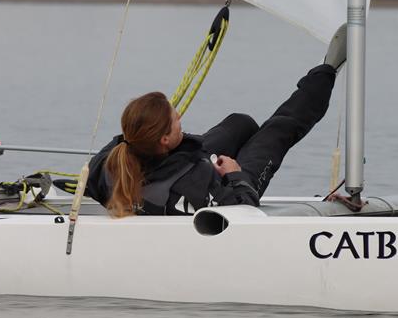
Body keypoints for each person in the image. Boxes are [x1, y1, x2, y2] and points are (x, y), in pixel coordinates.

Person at [85, 25, 348, 217]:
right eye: (174, 118)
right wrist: (234, 174)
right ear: (164, 139)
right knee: (278, 130)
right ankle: (326, 73)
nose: (179, 116)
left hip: (176, 162)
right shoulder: (192, 182)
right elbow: (242, 211)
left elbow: (90, 181)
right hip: (217, 180)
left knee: (240, 123)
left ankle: (320, 75)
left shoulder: (110, 158)